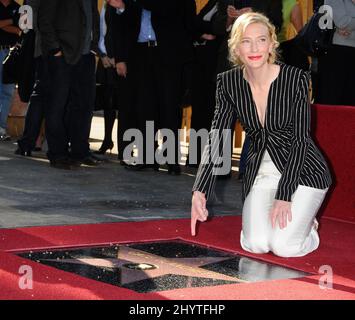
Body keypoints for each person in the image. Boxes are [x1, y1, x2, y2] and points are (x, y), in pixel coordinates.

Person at [191, 12, 332, 258]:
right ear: (236, 47)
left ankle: (309, 228)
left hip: (302, 172)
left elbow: (300, 139)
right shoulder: (229, 83)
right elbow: (217, 137)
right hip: (262, 173)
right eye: (246, 41)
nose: (254, 47)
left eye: (261, 40)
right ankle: (284, 222)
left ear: (271, 43)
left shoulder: (294, 78)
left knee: (284, 247)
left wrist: (285, 194)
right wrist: (200, 190)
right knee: (256, 244)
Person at [108, 0, 196, 174]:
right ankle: (147, 158)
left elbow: (168, 10)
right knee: (144, 107)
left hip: (168, 54)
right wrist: (120, 57)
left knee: (169, 106)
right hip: (139, 53)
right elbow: (121, 26)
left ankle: (171, 159)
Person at [38, 0, 100, 169]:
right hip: (62, 55)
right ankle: (58, 154)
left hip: (86, 56)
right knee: (57, 105)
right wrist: (55, 49)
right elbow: (44, 19)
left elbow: (92, 18)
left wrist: (94, 47)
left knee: (84, 106)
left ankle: (80, 151)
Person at [315, 0, 355, 106]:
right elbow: (342, 21)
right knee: (333, 100)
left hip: (349, 52)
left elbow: (345, 23)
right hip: (337, 52)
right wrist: (344, 24)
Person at [0, 0, 20, 141]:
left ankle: (1, 127)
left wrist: (4, 24)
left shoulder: (18, 8)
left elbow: (21, 29)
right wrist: (12, 21)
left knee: (8, 91)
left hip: (12, 54)